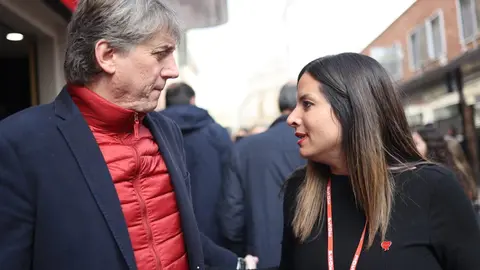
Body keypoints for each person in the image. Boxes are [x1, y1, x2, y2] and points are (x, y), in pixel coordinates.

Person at [0, 0, 256, 269]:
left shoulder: (167, 131)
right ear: (108, 55)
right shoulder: (19, 144)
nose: (173, 70)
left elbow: (178, 234)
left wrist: (236, 264)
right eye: (160, 54)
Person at [280, 53, 480, 270]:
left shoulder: (431, 187)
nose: (292, 118)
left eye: (307, 104)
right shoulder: (300, 189)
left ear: (350, 108)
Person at [219, 83, 306, 269]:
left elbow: (232, 214)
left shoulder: (245, 149)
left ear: (280, 105)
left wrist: (241, 252)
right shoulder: (316, 146)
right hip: (311, 255)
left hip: (261, 257)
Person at [161, 82, 233, 246]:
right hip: (212, 230)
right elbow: (231, 181)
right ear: (192, 100)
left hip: (167, 233)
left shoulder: (151, 131)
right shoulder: (216, 133)